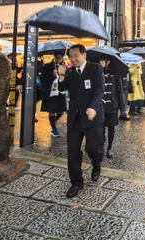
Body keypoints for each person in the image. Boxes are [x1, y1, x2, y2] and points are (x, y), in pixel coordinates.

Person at [56, 44, 105, 198]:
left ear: (84, 55)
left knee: (93, 149)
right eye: (71, 56)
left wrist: (93, 108)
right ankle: (76, 182)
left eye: (76, 55)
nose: (73, 59)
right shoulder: (70, 71)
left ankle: (96, 163)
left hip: (92, 117)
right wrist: (61, 76)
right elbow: (62, 88)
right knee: (73, 151)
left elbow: (99, 90)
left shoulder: (95, 69)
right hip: (75, 118)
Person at [99, 57, 125, 158]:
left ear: (108, 62)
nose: (100, 62)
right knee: (100, 128)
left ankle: (109, 147)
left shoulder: (116, 75)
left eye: (102, 60)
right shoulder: (97, 73)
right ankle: (101, 145)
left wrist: (122, 108)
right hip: (100, 106)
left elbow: (119, 91)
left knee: (111, 128)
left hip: (112, 105)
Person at [40, 52, 68, 137]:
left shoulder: (64, 67)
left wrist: (61, 75)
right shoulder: (47, 66)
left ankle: (53, 121)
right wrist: (52, 74)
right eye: (58, 57)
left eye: (61, 57)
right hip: (50, 92)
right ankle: (54, 129)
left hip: (60, 92)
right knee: (51, 111)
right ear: (54, 57)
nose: (59, 59)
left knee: (62, 111)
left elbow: (66, 78)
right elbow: (43, 78)